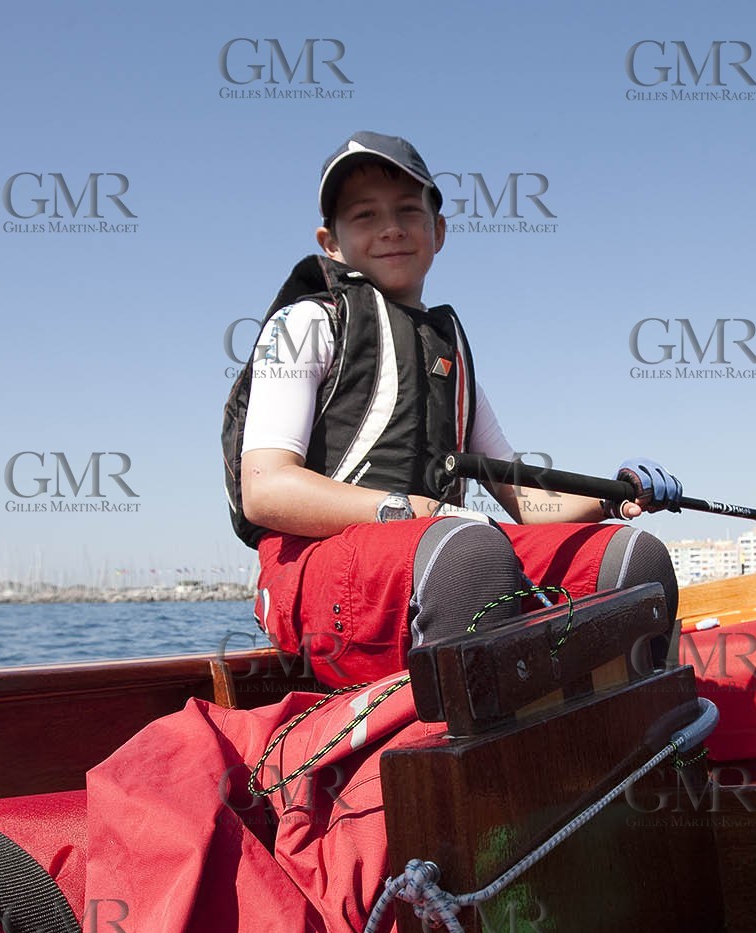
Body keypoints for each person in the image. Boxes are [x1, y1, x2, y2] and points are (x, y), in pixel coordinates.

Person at [223, 130, 681, 685]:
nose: (390, 228)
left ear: (438, 232)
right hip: (317, 568)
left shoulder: (456, 365)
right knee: (467, 554)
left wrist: (616, 494)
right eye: (364, 215)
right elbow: (266, 491)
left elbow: (528, 503)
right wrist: (412, 510)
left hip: (440, 553)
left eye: (408, 212)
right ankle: (449, 758)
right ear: (331, 243)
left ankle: (622, 752)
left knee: (635, 562)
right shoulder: (303, 325)